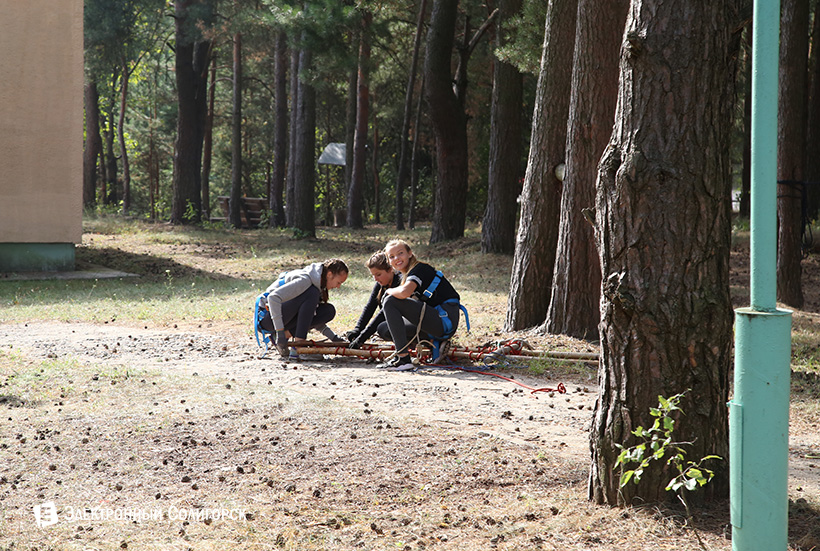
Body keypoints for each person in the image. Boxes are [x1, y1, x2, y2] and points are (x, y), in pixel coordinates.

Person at [378, 239, 465, 371]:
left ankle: (403, 360)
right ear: (389, 262)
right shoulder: (404, 276)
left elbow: (404, 292)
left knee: (390, 300)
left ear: (410, 253)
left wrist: (388, 291)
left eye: (400, 253)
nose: (397, 258)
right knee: (383, 328)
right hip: (431, 320)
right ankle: (433, 344)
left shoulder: (420, 269)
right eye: (392, 257)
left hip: (444, 321)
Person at [258, 258, 348, 359]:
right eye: (338, 282)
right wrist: (280, 333)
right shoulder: (306, 280)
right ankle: (298, 348)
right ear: (329, 274)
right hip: (267, 319)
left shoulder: (318, 283)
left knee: (328, 311)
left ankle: (287, 337)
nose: (338, 287)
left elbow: (308, 316)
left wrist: (334, 338)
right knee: (312, 292)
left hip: (284, 317)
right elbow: (273, 298)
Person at [345, 252, 401, 350]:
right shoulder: (381, 283)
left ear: (390, 269)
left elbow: (383, 314)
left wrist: (362, 338)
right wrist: (358, 329)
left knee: (383, 328)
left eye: (378, 274)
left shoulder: (400, 282)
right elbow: (370, 307)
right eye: (373, 275)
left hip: (411, 323)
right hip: (397, 322)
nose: (375, 279)